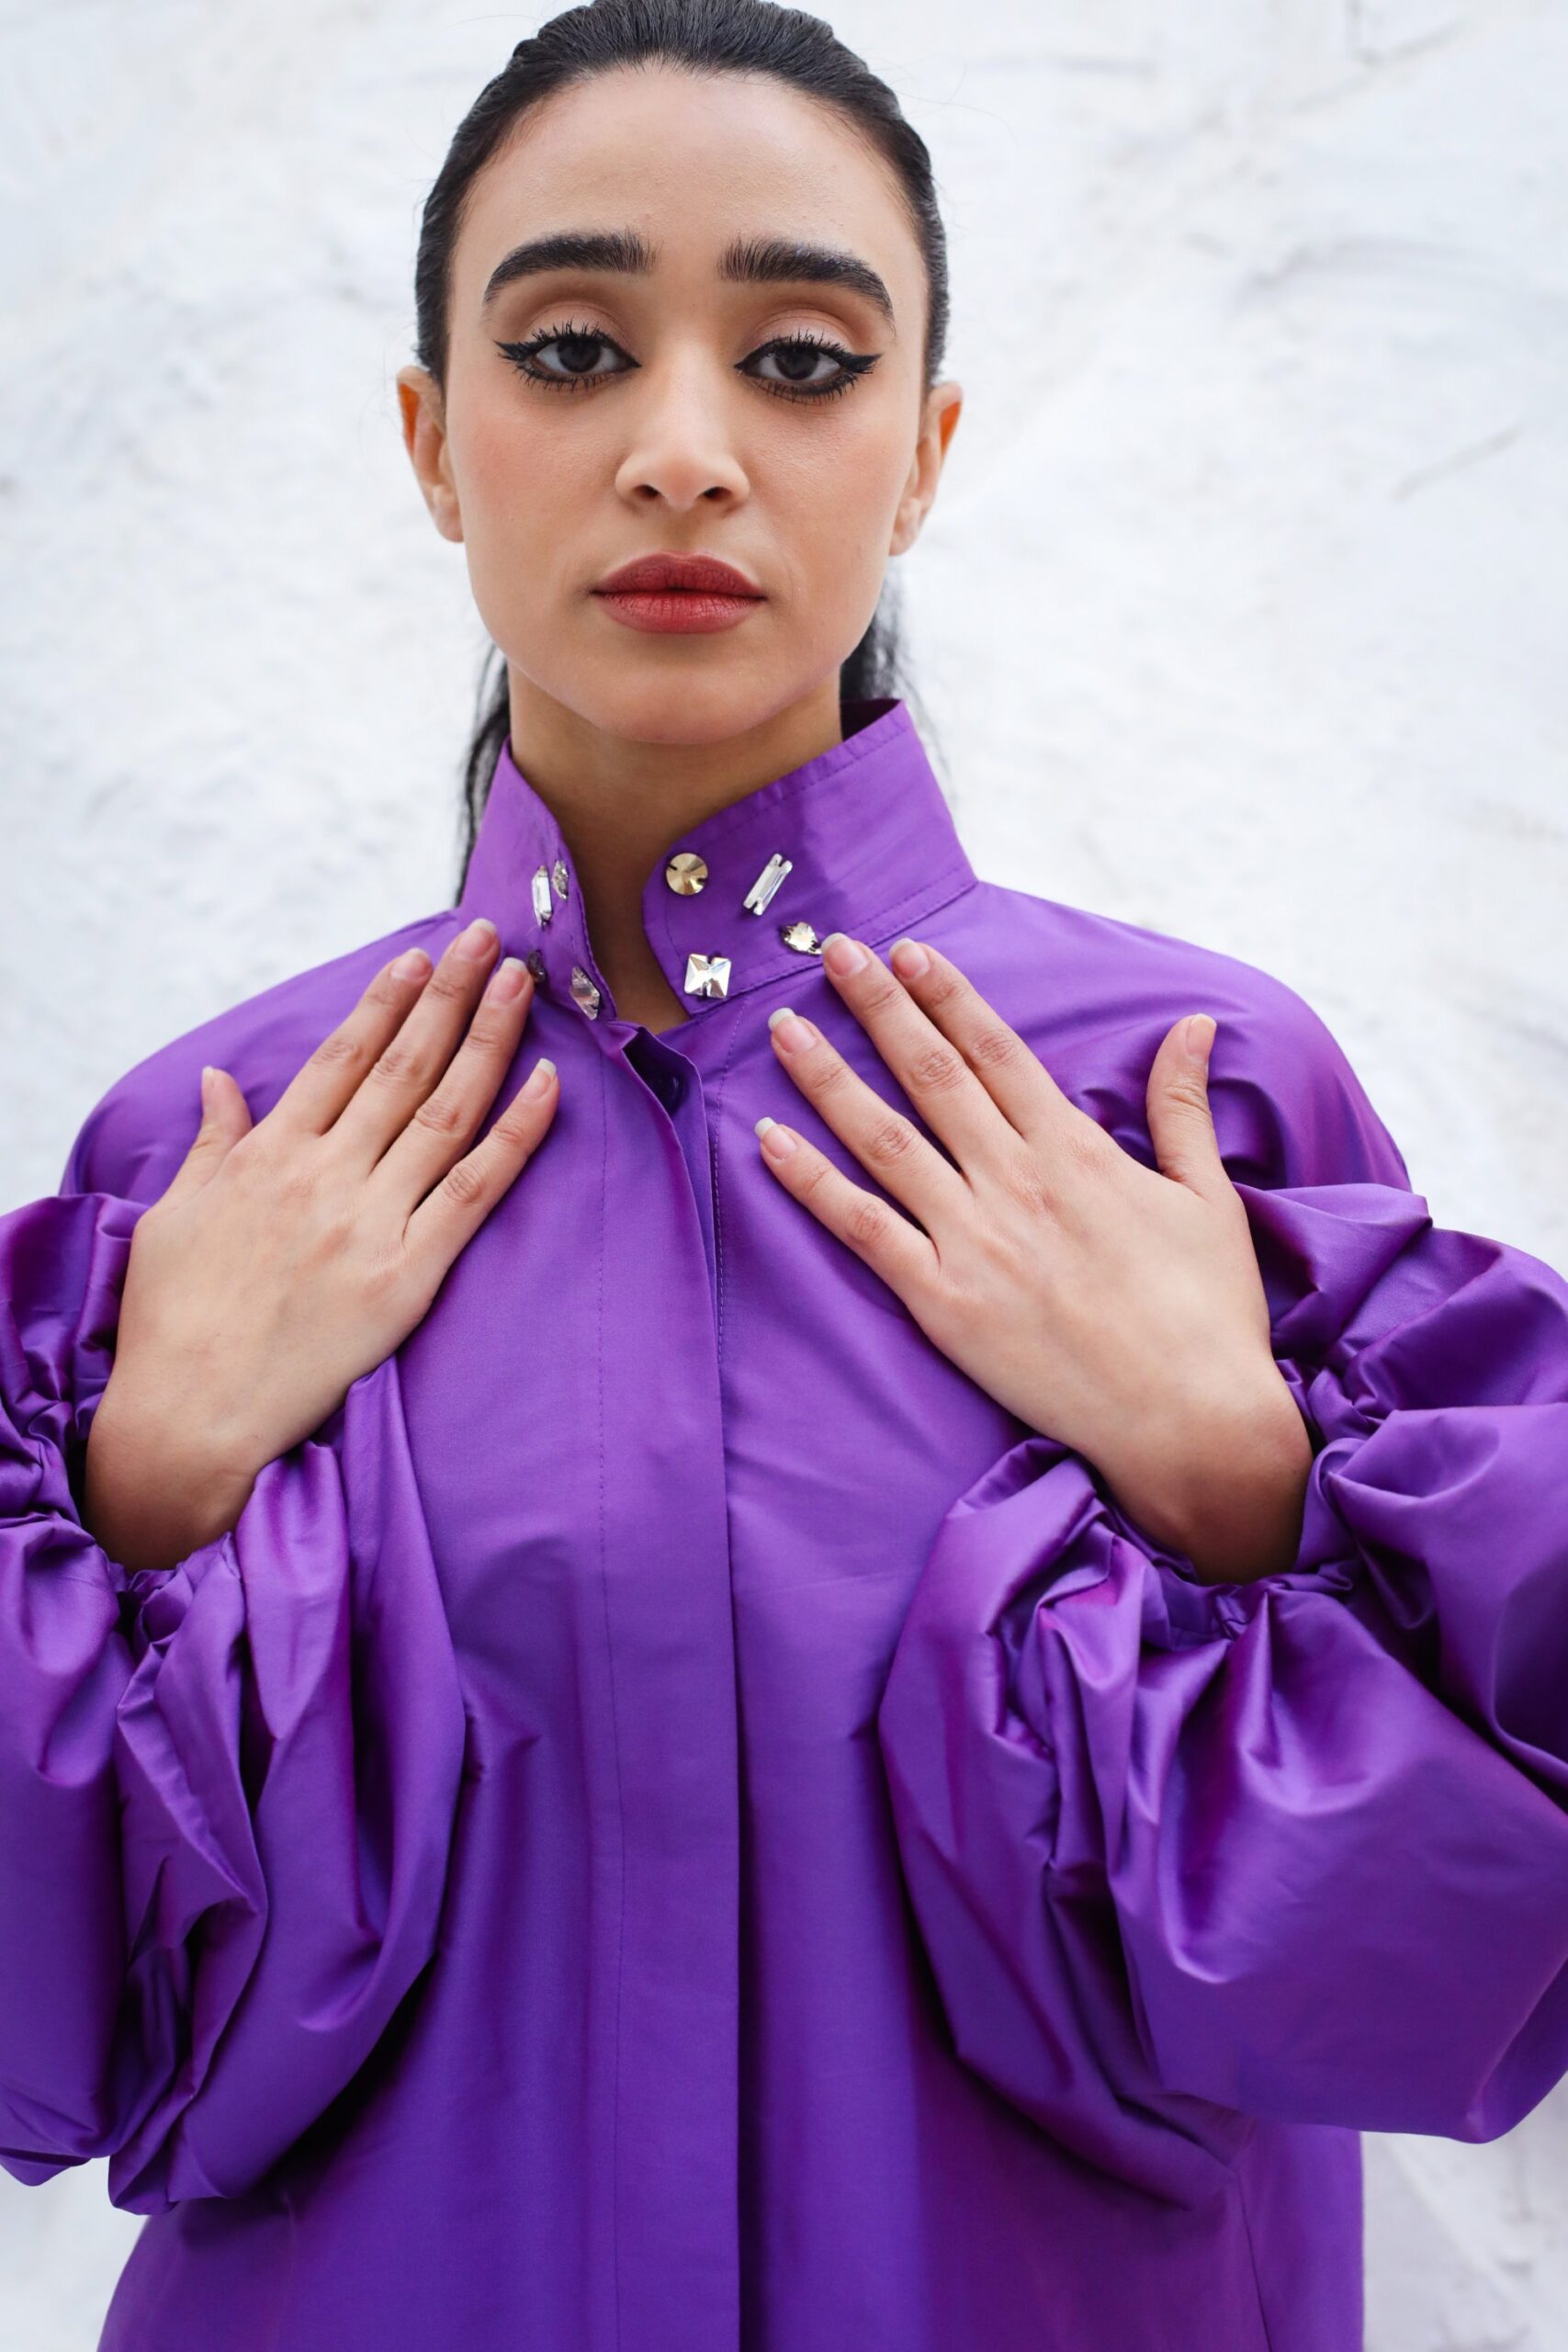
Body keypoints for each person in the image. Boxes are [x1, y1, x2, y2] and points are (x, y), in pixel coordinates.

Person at [4, 6, 1567, 2349]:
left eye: (803, 360)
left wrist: (1239, 1477)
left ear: (921, 450)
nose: (679, 449)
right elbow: (44, 2040)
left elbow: (1455, 1969)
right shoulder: (208, 1164)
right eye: (568, 347)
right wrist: (140, 1485)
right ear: (430, 443)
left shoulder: (1197, 1115)